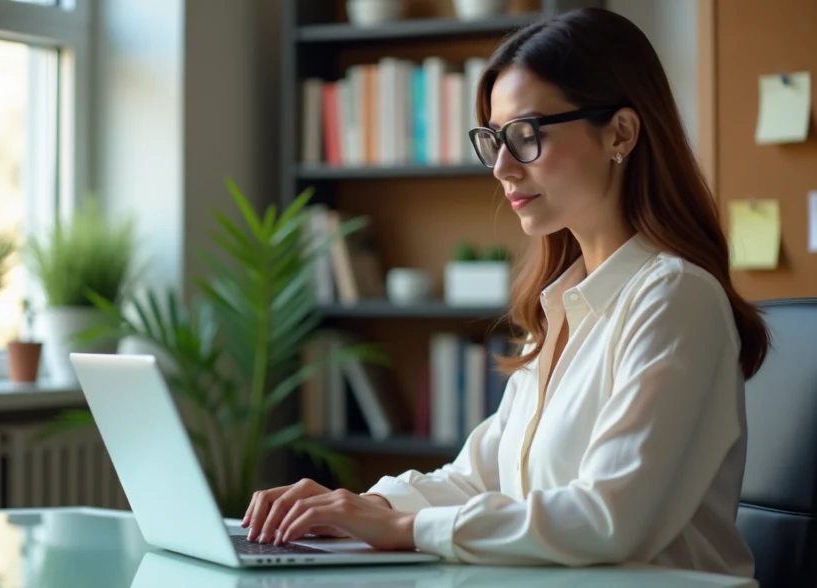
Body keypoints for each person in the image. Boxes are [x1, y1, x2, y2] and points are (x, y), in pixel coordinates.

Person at [241, 6, 769, 578]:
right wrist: (363, 506)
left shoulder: (675, 298)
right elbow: (480, 475)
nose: (500, 167)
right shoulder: (559, 305)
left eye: (525, 136)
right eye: (494, 139)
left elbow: (607, 518)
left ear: (620, 132)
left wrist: (403, 528)